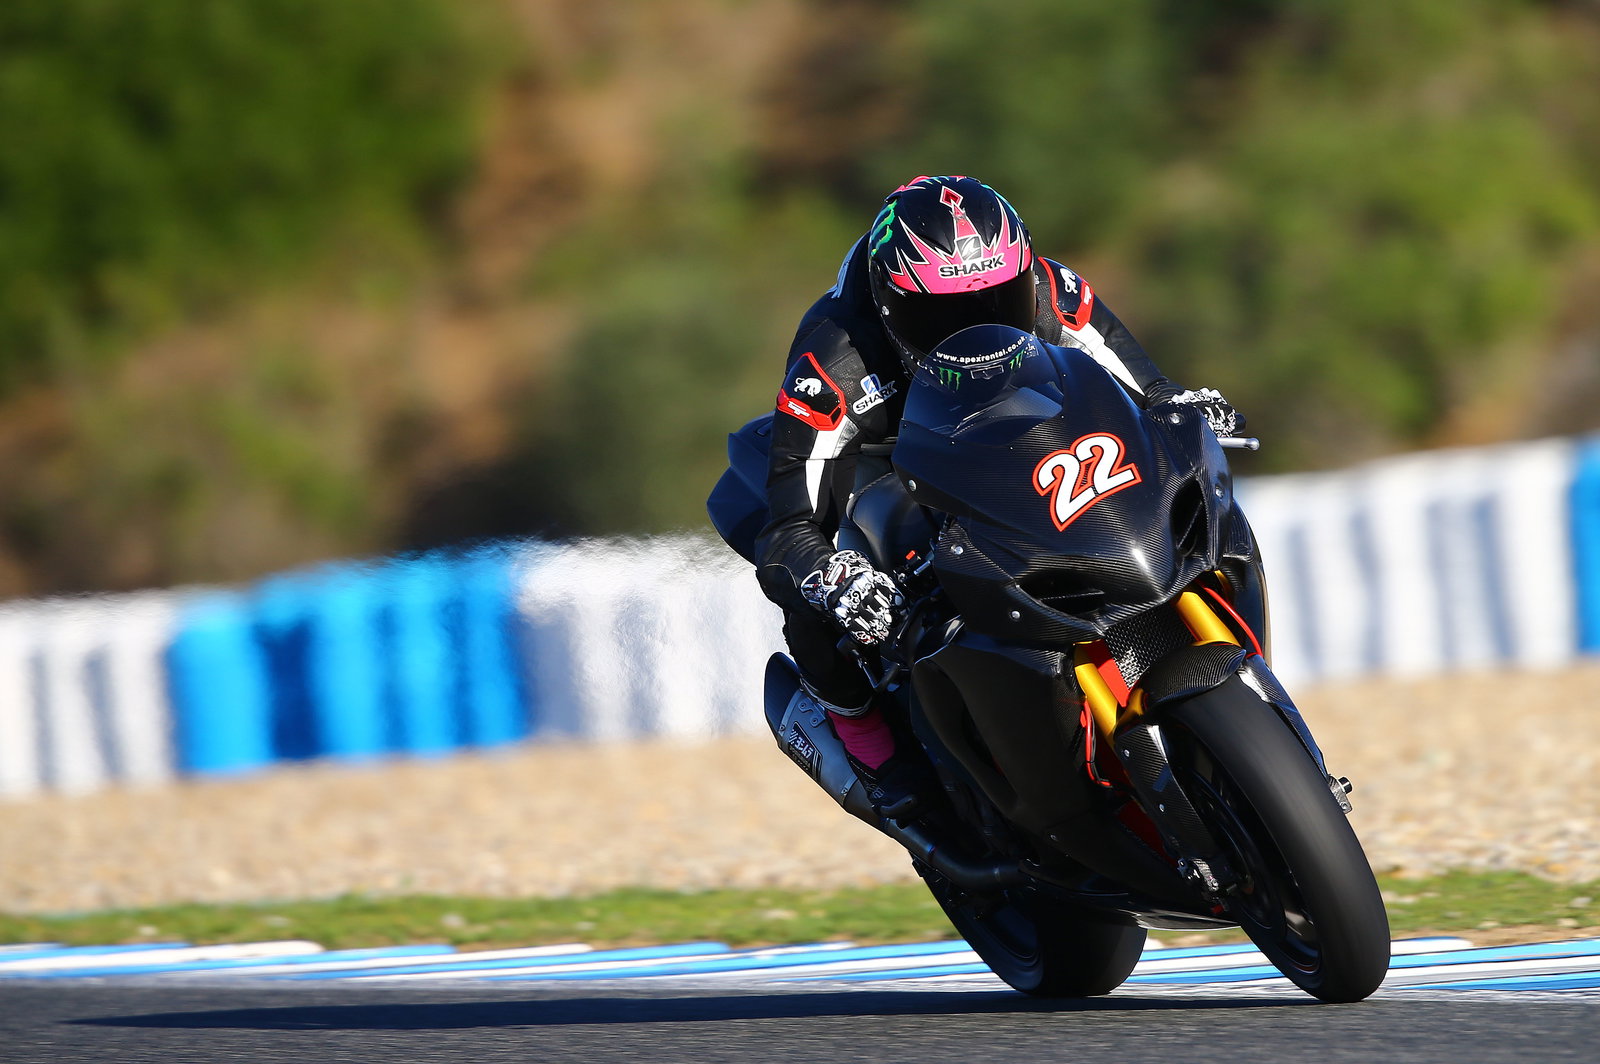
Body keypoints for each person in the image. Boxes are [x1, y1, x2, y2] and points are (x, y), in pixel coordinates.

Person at [754, 175, 1239, 818]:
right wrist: (832, 576)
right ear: (892, 304)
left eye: (997, 302)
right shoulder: (835, 362)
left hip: (1016, 433)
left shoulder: (1049, 289)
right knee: (815, 590)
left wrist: (1182, 408)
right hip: (883, 461)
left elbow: (1148, 389)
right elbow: (788, 526)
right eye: (944, 316)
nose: (975, 327)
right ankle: (865, 744)